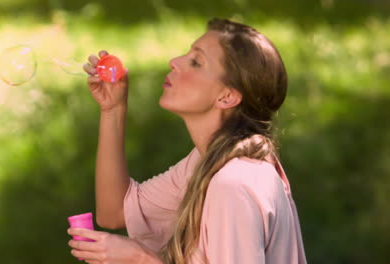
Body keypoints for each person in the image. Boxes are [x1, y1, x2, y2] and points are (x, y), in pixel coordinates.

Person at [67, 18, 307, 264]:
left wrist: (142, 259)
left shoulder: (233, 185)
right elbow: (114, 212)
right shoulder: (210, 162)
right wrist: (113, 110)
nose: (175, 62)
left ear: (227, 96)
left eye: (195, 62)